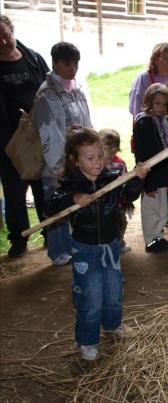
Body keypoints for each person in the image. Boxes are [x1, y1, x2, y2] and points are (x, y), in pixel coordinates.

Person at [44, 127, 149, 361]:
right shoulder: (71, 185)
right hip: (85, 250)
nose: (98, 161)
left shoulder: (110, 179)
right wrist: (73, 198)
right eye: (90, 157)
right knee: (91, 296)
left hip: (110, 247)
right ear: (75, 160)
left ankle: (112, 324)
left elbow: (128, 195)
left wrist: (137, 178)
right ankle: (88, 339)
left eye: (100, 155)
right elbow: (50, 207)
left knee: (113, 291)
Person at [31, 41, 92, 266]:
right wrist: (59, 166)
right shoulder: (47, 94)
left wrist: (91, 150)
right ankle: (58, 250)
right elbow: (50, 134)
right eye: (67, 63)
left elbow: (86, 123)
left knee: (73, 203)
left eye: (75, 63)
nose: (72, 68)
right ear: (55, 63)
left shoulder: (76, 88)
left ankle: (71, 244)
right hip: (56, 161)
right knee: (57, 203)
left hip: (76, 159)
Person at [0, 15, 49, 257]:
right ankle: (19, 240)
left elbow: (49, 88)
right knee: (15, 193)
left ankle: (51, 234)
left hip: (37, 135)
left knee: (43, 187)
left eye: (5, 34)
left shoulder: (33, 58)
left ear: (12, 30)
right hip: (8, 141)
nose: (3, 40)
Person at [129, 42, 168, 230]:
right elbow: (136, 108)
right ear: (155, 58)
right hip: (150, 134)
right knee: (153, 177)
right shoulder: (144, 78)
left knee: (167, 174)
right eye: (164, 58)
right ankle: (154, 230)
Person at [133, 83, 168, 253]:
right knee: (151, 209)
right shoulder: (143, 122)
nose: (161, 108)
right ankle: (151, 240)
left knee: (162, 209)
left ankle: (158, 237)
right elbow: (141, 153)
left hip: (163, 173)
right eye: (157, 104)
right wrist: (147, 182)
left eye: (164, 104)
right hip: (151, 175)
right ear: (149, 102)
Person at [100, 128, 133, 253]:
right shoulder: (96, 163)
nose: (111, 150)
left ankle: (119, 241)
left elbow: (126, 182)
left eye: (114, 146)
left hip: (118, 203)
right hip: (102, 204)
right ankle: (109, 245)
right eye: (107, 146)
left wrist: (126, 200)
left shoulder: (120, 164)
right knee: (105, 226)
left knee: (121, 223)